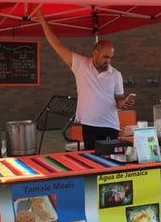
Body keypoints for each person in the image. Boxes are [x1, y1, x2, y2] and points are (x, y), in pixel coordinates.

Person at [37, 10, 135, 150]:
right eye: (105, 57)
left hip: (110, 126)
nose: (108, 61)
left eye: (110, 57)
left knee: (110, 162)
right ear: (95, 53)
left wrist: (124, 102)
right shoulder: (80, 65)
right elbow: (57, 45)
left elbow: (118, 101)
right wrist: (41, 19)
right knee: (92, 161)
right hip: (89, 126)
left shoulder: (116, 74)